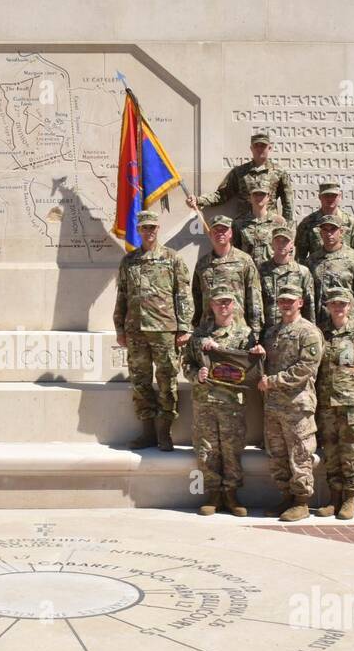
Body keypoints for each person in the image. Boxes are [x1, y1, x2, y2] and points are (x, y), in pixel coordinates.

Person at [113, 210, 193, 452]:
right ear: (138, 231)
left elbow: (183, 295)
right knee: (140, 381)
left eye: (152, 227)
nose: (149, 232)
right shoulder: (129, 261)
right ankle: (147, 432)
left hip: (164, 330)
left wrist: (185, 327)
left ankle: (164, 433)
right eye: (144, 228)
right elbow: (123, 296)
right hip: (136, 330)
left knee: (167, 380)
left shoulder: (172, 259)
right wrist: (119, 326)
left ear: (159, 229)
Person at [184, 290, 262, 517]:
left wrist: (259, 355)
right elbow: (186, 363)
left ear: (234, 305)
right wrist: (197, 374)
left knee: (231, 449)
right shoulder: (199, 335)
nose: (223, 306)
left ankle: (231, 495)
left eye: (227, 302)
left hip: (231, 402)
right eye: (218, 303)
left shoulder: (245, 335)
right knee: (207, 449)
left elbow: (251, 368)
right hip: (205, 400)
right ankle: (213, 495)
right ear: (211, 305)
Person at [257, 285, 324, 521]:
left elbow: (306, 368)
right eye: (282, 300)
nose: (285, 304)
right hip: (273, 405)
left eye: (290, 300)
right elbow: (264, 363)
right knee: (278, 455)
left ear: (300, 303)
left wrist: (273, 381)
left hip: (298, 405)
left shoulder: (309, 332)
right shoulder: (273, 332)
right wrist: (258, 354)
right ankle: (286, 497)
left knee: (300, 453)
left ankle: (302, 502)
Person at [315, 289, 354, 520]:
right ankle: (334, 498)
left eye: (342, 304)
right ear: (328, 306)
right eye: (334, 304)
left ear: (350, 306)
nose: (338, 308)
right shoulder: (321, 331)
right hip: (326, 403)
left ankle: (350, 499)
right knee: (331, 451)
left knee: (350, 452)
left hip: (353, 403)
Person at [188, 130, 294, 222]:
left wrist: (287, 229)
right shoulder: (240, 172)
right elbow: (222, 195)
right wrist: (198, 200)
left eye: (263, 146)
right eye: (256, 145)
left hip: (269, 226)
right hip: (244, 228)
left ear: (269, 148)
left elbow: (288, 202)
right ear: (251, 148)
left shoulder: (279, 172)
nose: (259, 149)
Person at [191, 215, 263, 340]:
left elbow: (254, 296)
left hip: (237, 332)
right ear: (210, 234)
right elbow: (196, 297)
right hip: (207, 331)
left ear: (230, 233)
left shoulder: (244, 260)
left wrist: (256, 330)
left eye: (224, 230)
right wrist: (195, 326)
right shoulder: (202, 264)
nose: (220, 233)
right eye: (215, 230)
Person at [308, 215, 354, 324]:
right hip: (320, 321)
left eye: (333, 230)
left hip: (346, 321)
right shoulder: (312, 260)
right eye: (325, 230)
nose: (329, 234)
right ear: (320, 233)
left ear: (341, 232)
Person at [256, 225, 315, 331]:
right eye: (278, 241)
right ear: (272, 244)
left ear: (291, 245)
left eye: (285, 241)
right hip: (268, 330)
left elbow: (309, 305)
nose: (281, 245)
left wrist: (310, 329)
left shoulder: (302, 272)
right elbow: (256, 302)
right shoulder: (261, 270)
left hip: (295, 330)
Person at [294, 181, 354, 266]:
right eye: (326, 195)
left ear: (340, 196)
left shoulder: (351, 223)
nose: (330, 199)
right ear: (319, 197)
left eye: (334, 196)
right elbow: (300, 259)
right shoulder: (307, 223)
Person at [231, 176, 288, 256]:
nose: (258, 197)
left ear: (268, 197)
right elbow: (235, 251)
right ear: (250, 198)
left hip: (271, 267)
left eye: (262, 194)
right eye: (255, 194)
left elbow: (286, 250)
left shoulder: (279, 222)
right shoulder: (239, 223)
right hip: (248, 267)